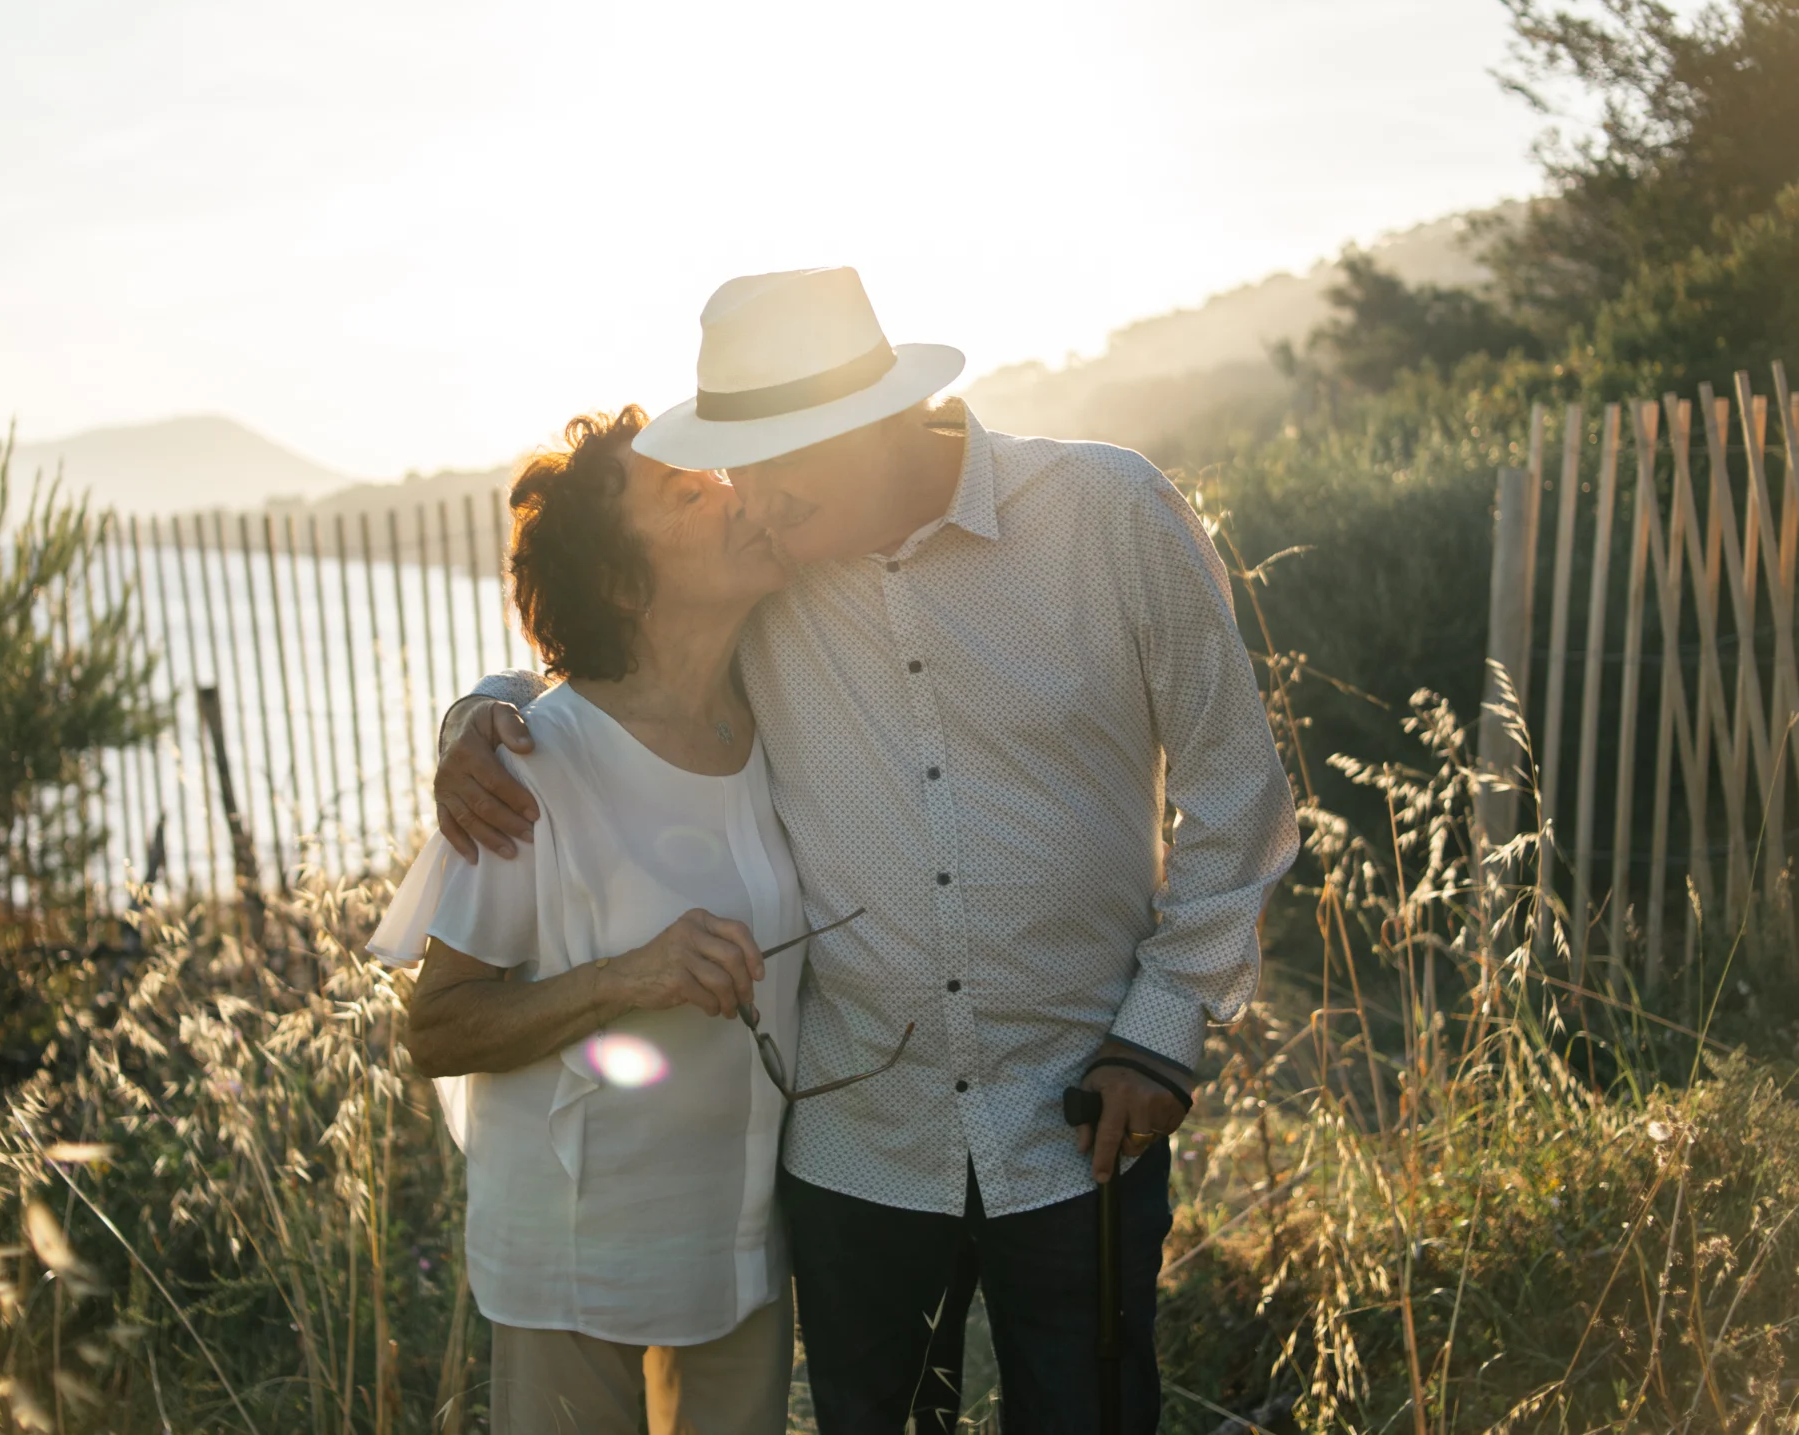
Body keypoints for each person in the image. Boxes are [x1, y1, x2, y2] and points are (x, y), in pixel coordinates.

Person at [432, 267, 1300, 1434]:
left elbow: (1236, 795)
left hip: (1082, 1121)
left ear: (883, 418)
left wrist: (1158, 1039)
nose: (755, 498)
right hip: (856, 1150)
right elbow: (620, 665)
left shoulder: (1110, 513)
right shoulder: (770, 578)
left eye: (782, 459)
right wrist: (483, 712)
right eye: (741, 463)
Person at [372, 405, 906, 1435]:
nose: (732, 491)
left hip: (740, 1240)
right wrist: (629, 977)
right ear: (622, 582)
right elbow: (435, 1029)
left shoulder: (777, 708)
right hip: (576, 1254)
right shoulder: (534, 767)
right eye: (686, 491)